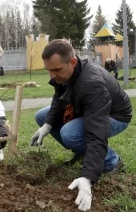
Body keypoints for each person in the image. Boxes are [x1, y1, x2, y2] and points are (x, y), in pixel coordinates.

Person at [31, 39, 132, 211]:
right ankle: (82, 152)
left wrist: (88, 177)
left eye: (56, 70)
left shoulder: (92, 84)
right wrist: (47, 124)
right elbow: (59, 98)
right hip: (86, 110)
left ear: (72, 62)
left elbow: (96, 131)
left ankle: (112, 161)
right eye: (49, 70)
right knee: (42, 116)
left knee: (70, 134)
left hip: (115, 116)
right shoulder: (64, 74)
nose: (52, 76)